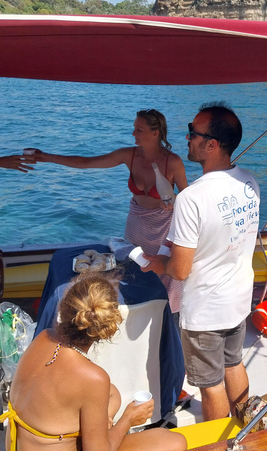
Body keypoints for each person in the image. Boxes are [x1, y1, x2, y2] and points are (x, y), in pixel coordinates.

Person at [1, 272, 186, 451]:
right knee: (174, 442)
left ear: (65, 308)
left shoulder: (44, 337)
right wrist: (128, 419)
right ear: (106, 328)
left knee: (113, 395)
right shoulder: (93, 378)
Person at [143, 102, 260, 422]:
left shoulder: (192, 198)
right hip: (238, 299)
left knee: (210, 386)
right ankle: (244, 425)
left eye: (193, 133)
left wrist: (157, 264)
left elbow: (179, 270)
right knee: (234, 363)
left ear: (212, 145)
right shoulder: (250, 182)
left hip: (206, 310)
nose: (186, 137)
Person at [34, 109, 188, 312]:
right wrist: (47, 158)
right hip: (136, 224)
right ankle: (135, 312)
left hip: (163, 228)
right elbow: (87, 163)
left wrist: (175, 200)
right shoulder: (129, 155)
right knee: (133, 270)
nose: (133, 134)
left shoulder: (173, 162)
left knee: (163, 276)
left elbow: (189, 200)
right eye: (134, 128)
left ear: (155, 133)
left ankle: (165, 317)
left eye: (139, 130)